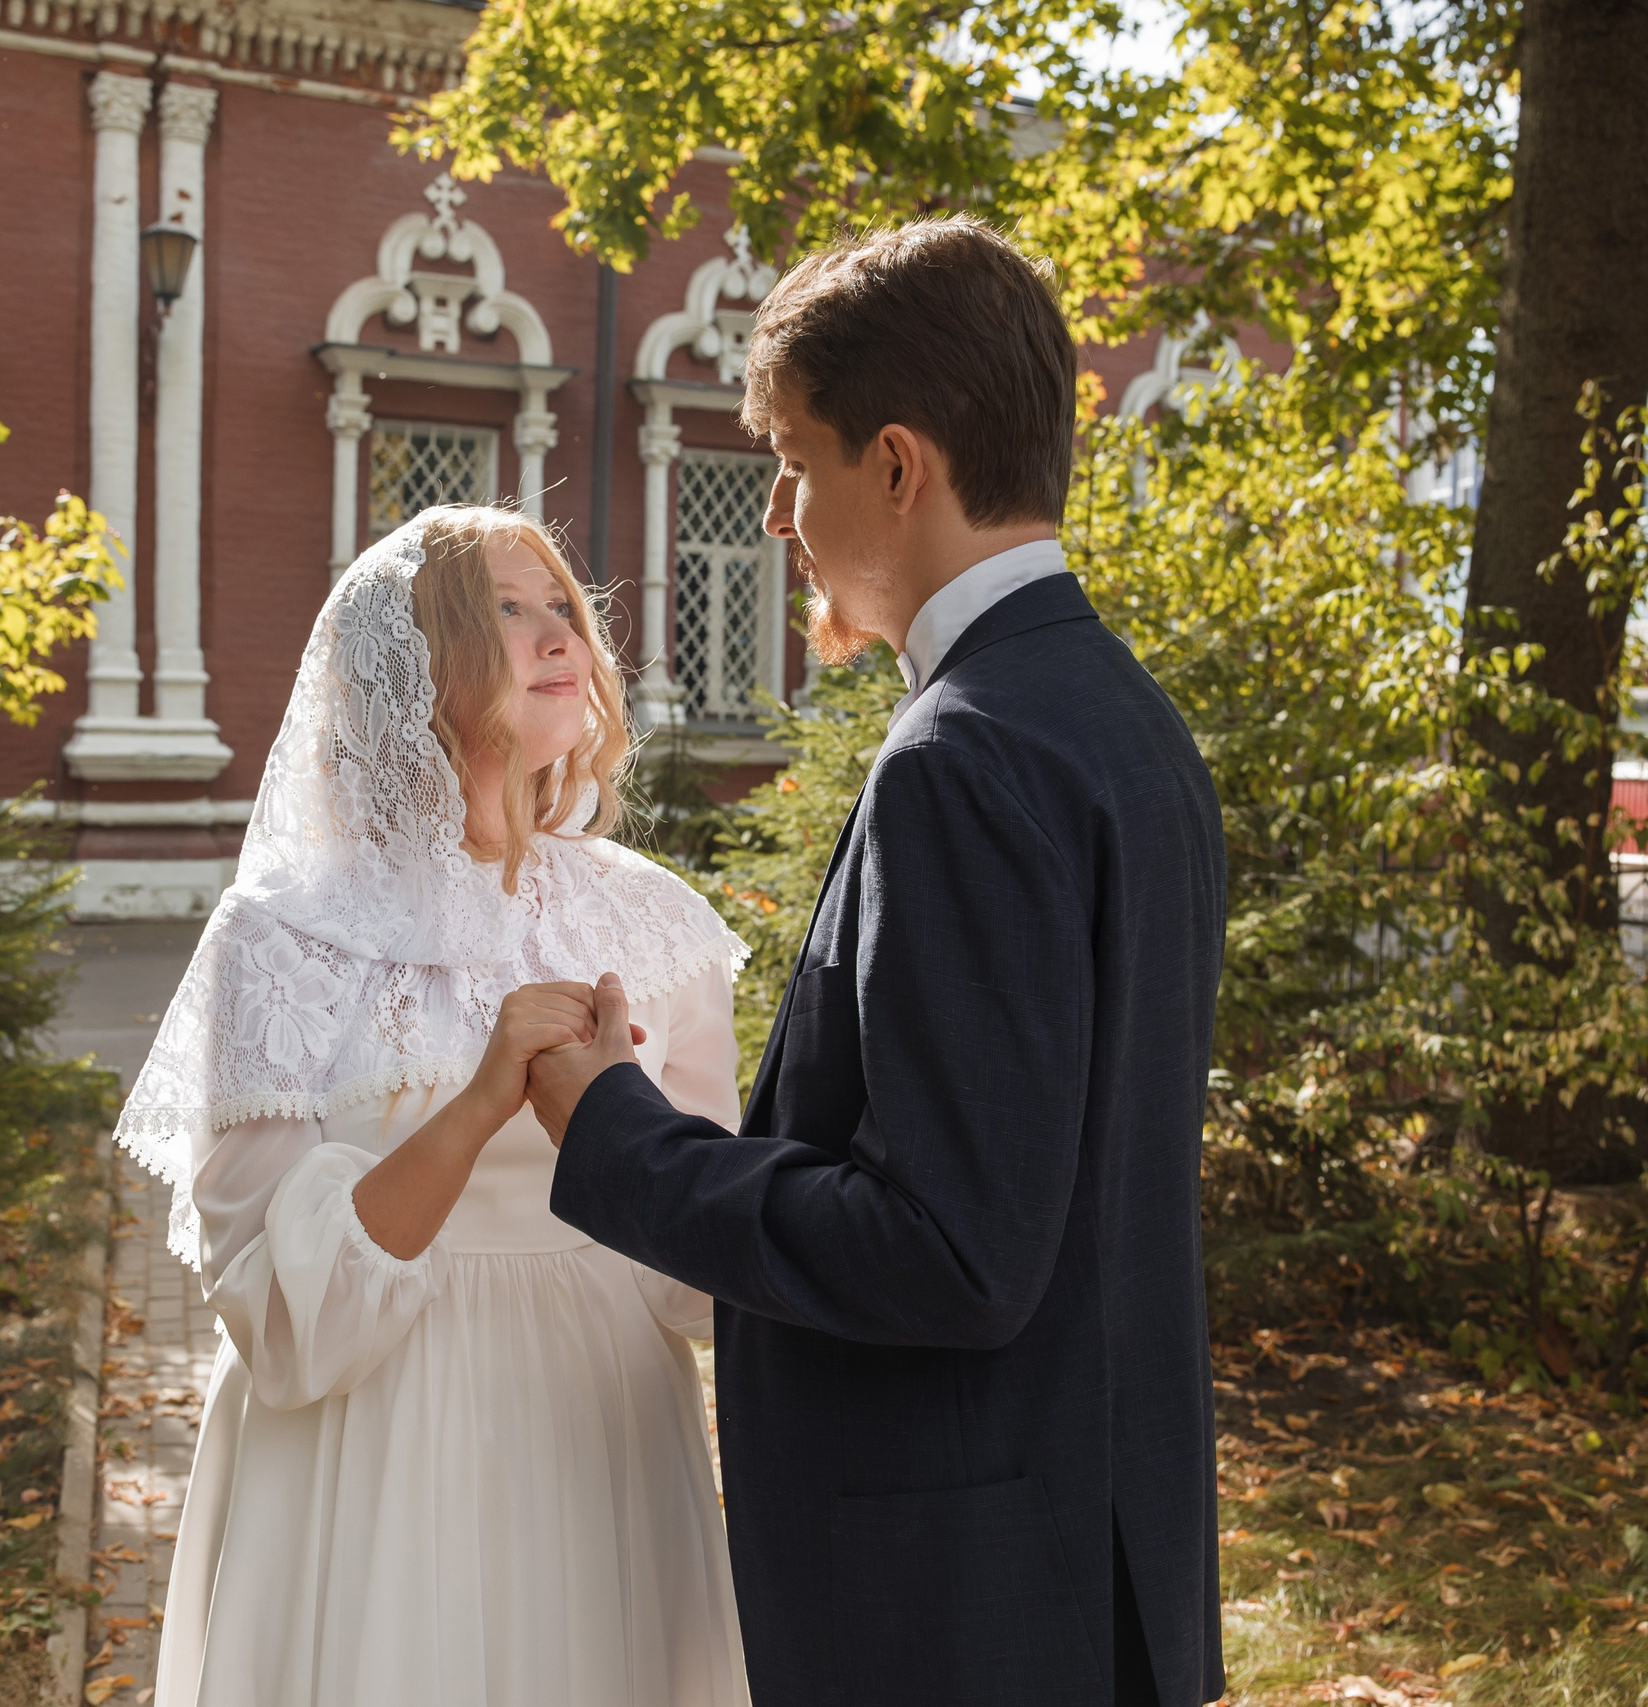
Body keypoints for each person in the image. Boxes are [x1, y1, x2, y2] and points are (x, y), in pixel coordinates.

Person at [524, 218, 1231, 1707]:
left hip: (961, 1607)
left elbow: (954, 1252)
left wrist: (616, 1124)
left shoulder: (962, 756)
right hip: (1089, 1556)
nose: (777, 512)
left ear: (897, 465)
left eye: (792, 458)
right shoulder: (1131, 724)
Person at [115, 506, 752, 1707]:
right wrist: (474, 1106)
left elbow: (699, 1279)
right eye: (505, 610)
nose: (555, 634)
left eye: (561, 604)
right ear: (404, 663)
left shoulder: (654, 921)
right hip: (373, 1450)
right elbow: (282, 1322)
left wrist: (620, 1115)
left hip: (600, 1430)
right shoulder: (284, 933)